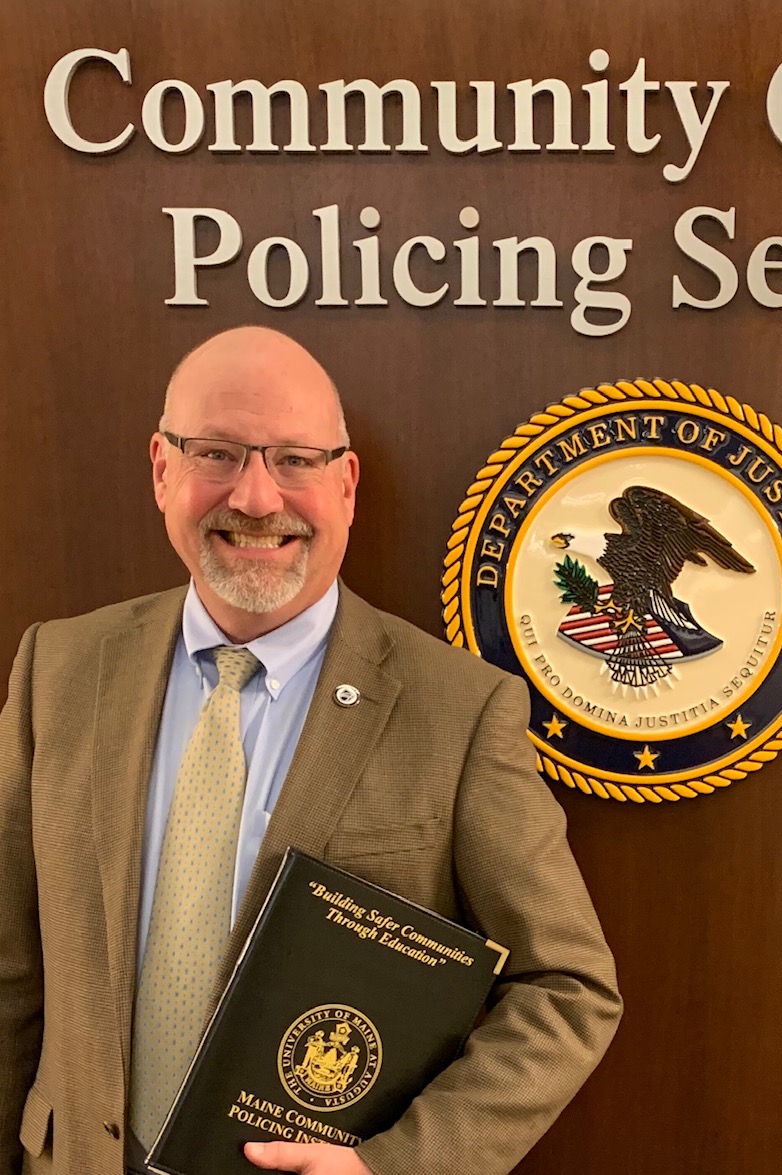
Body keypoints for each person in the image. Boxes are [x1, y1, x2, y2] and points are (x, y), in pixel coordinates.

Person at [0, 326, 622, 1175]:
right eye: (216, 453)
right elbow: (10, 969)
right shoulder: (58, 669)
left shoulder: (458, 711)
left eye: (295, 459)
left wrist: (394, 1166)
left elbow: (568, 987)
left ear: (346, 484)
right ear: (161, 469)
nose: (257, 497)